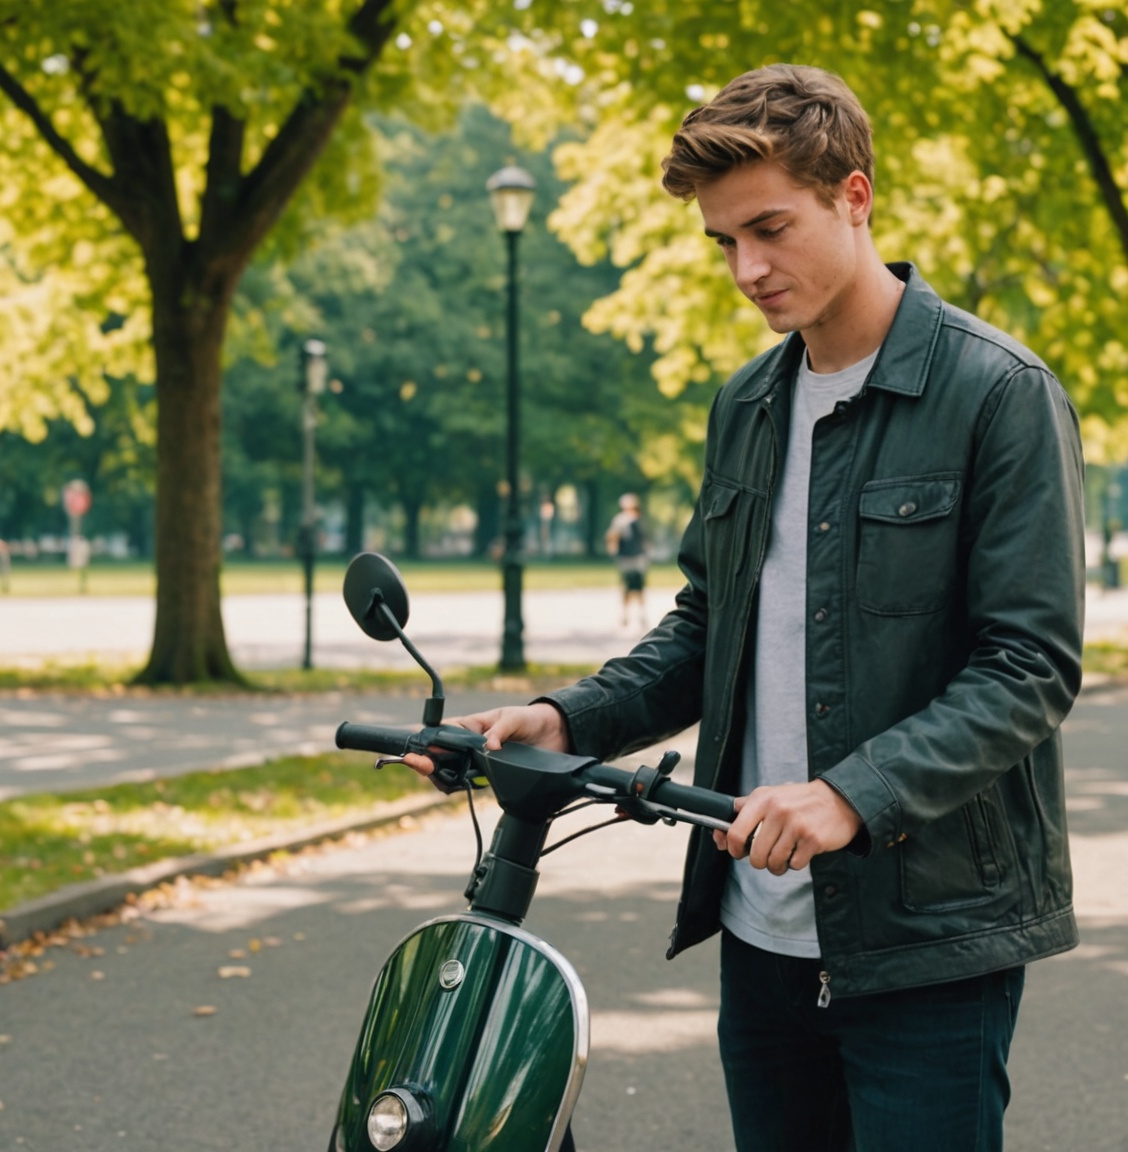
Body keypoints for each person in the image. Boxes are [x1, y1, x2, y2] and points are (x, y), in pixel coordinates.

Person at [406, 64, 1084, 1151]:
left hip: (927, 940)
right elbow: (706, 627)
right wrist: (568, 719)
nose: (747, 268)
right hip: (758, 930)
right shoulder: (751, 403)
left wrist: (850, 795)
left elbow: (1028, 666)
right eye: (723, 241)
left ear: (854, 196)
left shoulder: (995, 392)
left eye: (769, 228)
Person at [605, 492, 650, 626]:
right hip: (626, 557)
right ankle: (625, 615)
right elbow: (612, 536)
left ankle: (641, 615)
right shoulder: (620, 520)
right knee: (626, 586)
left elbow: (645, 538)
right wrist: (613, 546)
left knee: (639, 587)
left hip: (638, 557)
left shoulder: (639, 519)